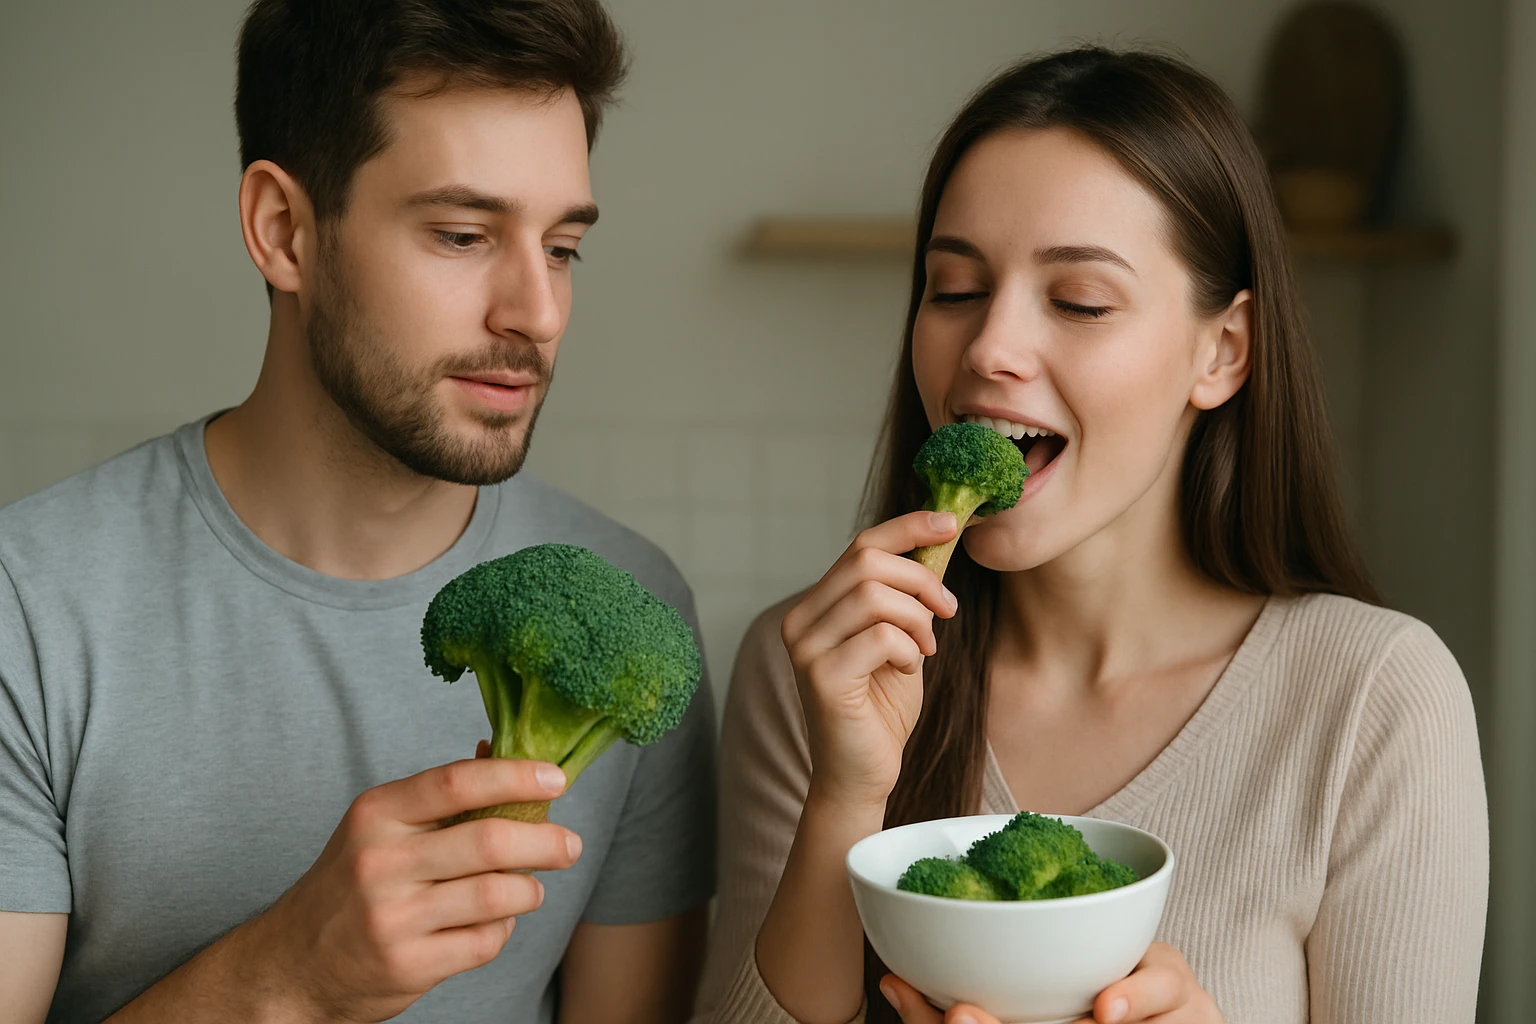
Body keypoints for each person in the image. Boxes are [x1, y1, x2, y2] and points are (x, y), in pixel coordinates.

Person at [692, 48, 1487, 1024]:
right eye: (954, 289)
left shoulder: (1376, 699)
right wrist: (845, 795)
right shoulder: (818, 669)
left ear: (1222, 351)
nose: (989, 347)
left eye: (1079, 302)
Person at [0, 2, 716, 1021]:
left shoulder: (635, 616)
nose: (539, 312)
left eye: (562, 247)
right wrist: (288, 976)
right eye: (463, 235)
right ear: (282, 230)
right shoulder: (28, 611)